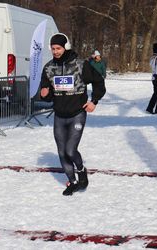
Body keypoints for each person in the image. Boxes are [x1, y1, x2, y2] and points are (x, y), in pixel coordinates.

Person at [40, 33, 106, 196]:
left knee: (70, 150)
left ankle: (81, 171)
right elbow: (47, 93)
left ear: (66, 47)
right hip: (59, 115)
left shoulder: (80, 65)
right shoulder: (49, 68)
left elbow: (99, 82)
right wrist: (44, 94)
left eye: (58, 48)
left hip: (77, 113)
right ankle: (73, 181)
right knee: (62, 151)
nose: (55, 51)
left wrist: (94, 101)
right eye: (53, 49)